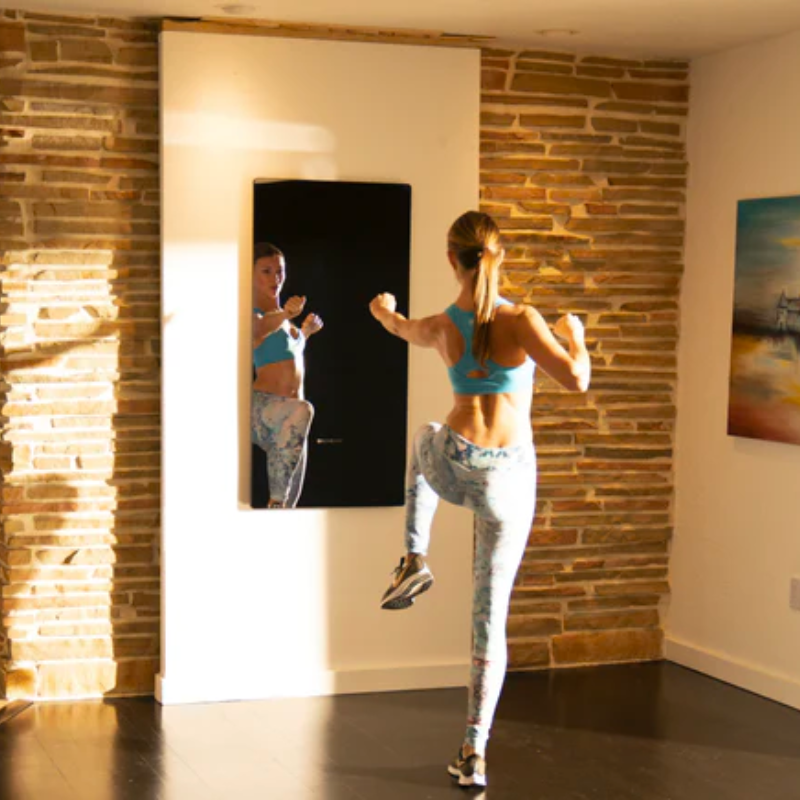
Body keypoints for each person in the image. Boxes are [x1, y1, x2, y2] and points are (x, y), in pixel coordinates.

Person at [369, 211, 590, 788]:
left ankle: (413, 557)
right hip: (509, 483)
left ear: (453, 259)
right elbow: (577, 379)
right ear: (500, 256)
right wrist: (576, 336)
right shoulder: (523, 321)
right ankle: (473, 752)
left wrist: (382, 310)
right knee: (489, 620)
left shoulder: (443, 326)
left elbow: (399, 328)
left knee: (424, 435)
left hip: (454, 465)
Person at [252, 242, 323, 509]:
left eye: (280, 271)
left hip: (292, 421)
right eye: (266, 271)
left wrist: (305, 332)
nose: (276, 278)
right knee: (304, 409)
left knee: (290, 503)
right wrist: (285, 314)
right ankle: (275, 502)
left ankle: (277, 511)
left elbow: (287, 356)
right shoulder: (254, 315)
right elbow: (257, 331)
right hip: (264, 409)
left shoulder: (285, 323)